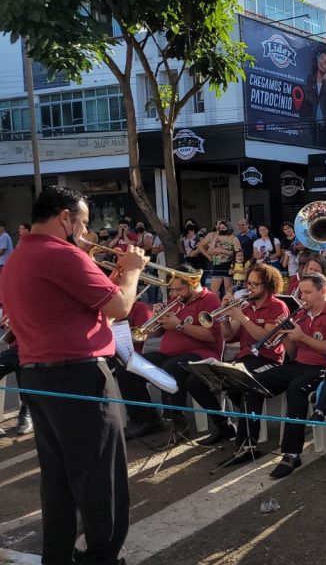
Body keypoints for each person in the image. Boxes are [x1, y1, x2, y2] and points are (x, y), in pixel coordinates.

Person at [2, 186, 146, 564]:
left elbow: (88, 312)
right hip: (79, 376)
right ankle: (102, 557)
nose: (86, 232)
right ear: (65, 217)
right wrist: (132, 270)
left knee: (59, 480)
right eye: (83, 223)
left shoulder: (18, 257)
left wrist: (111, 276)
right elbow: (122, 306)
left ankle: (59, 555)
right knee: (101, 478)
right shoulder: (62, 255)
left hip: (38, 377)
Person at [248, 273, 326, 478]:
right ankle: (247, 444)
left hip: (325, 368)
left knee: (295, 390)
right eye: (301, 292)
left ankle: (291, 454)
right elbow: (293, 354)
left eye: (308, 292)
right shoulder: (302, 313)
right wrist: (285, 335)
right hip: (299, 364)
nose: (303, 297)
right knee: (253, 383)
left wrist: (302, 336)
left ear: (323, 291)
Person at [116, 264, 224, 438]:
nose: (174, 294)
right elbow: (157, 334)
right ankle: (147, 420)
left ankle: (179, 423)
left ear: (192, 283)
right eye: (172, 290)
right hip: (169, 355)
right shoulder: (176, 302)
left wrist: (180, 325)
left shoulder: (210, 300)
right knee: (128, 367)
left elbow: (212, 337)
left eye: (178, 289)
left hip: (201, 354)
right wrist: (156, 320)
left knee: (170, 369)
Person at [194, 263, 290, 450]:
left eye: (255, 284)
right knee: (196, 380)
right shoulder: (246, 306)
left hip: (268, 360)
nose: (250, 287)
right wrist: (224, 317)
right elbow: (229, 336)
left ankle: (246, 443)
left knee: (244, 385)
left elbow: (265, 338)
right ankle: (225, 426)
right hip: (244, 358)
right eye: (248, 283)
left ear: (268, 285)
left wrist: (242, 317)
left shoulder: (278, 306)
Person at [200, 220, 241, 299]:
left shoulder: (234, 239)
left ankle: (229, 305)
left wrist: (223, 251)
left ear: (228, 228)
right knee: (213, 291)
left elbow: (238, 254)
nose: (221, 229)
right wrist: (213, 251)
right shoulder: (216, 238)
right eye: (220, 228)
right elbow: (210, 251)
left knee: (228, 291)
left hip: (228, 266)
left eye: (223, 228)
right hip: (217, 266)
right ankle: (216, 305)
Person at [306, 49, 326, 148]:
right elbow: (307, 102)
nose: (323, 62)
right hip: (312, 129)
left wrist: (324, 80)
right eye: (322, 58)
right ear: (317, 58)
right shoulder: (310, 80)